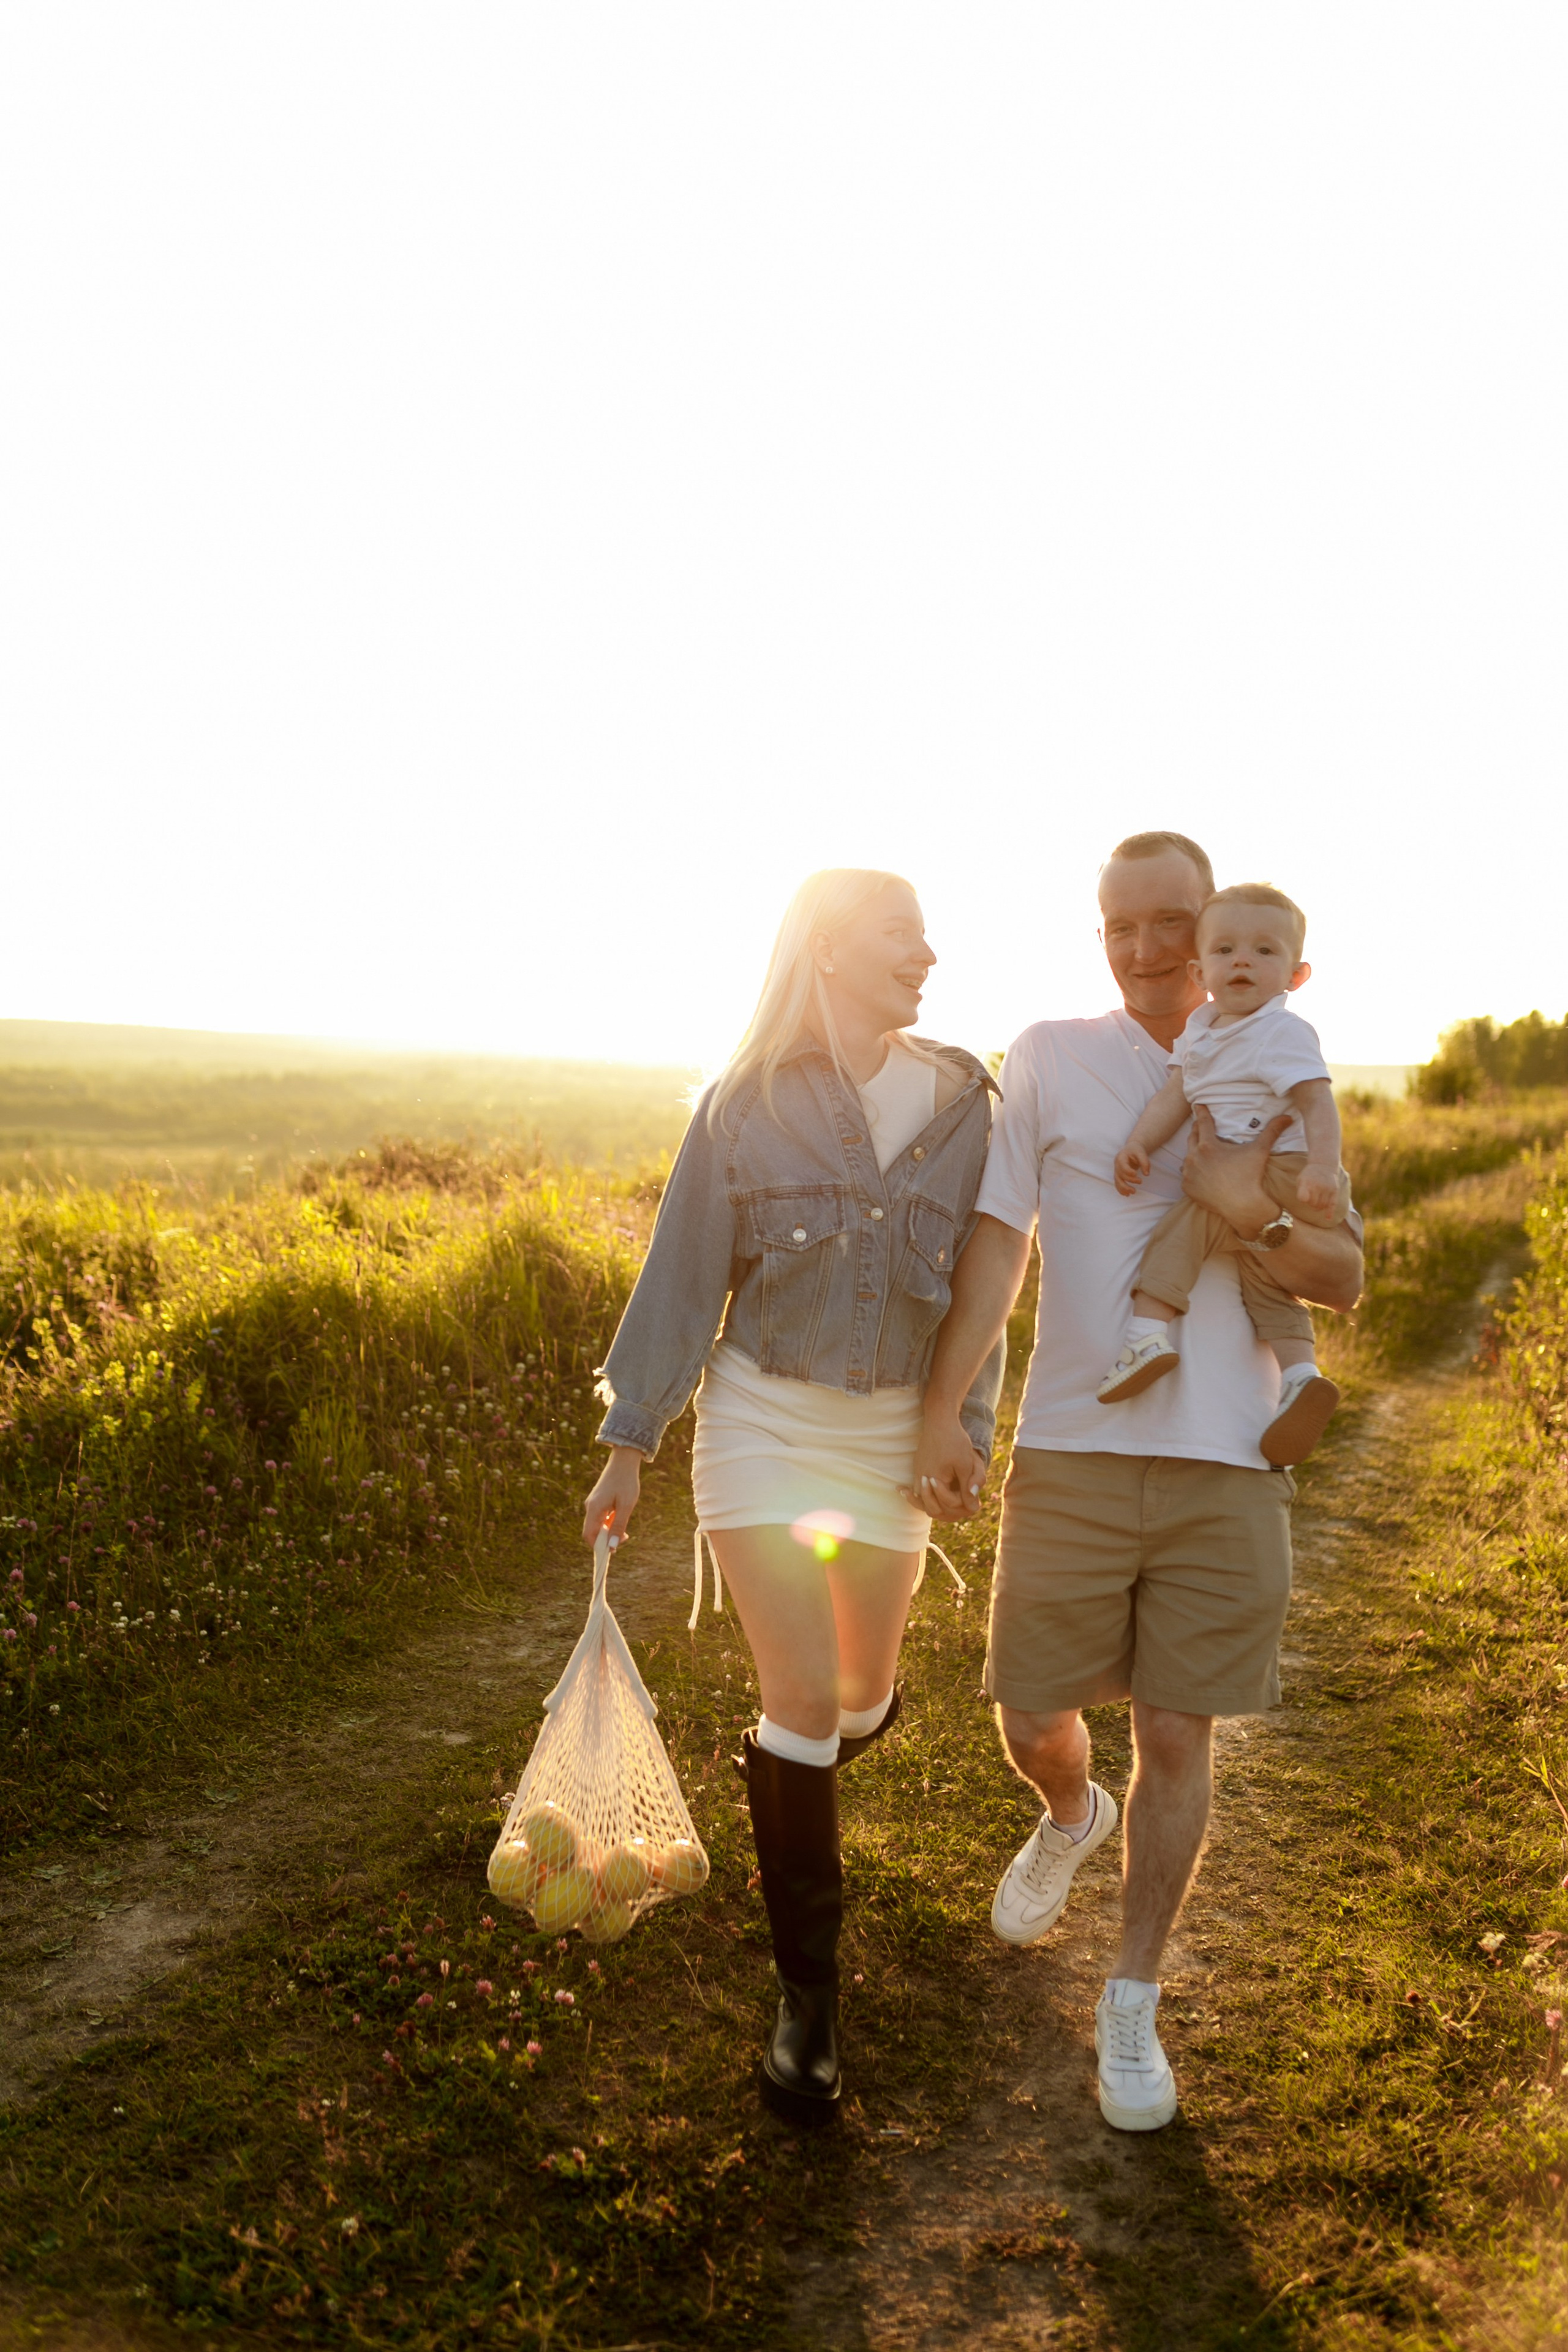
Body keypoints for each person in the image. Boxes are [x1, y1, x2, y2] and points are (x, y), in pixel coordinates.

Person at [911, 831, 1363, 2133]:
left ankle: (1131, 1996)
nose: (1152, 949)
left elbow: (1340, 1276)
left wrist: (1249, 1205)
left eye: (1175, 921)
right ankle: (1071, 1811)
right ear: (1099, 937)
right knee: (1028, 1715)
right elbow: (998, 1248)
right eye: (1123, 927)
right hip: (1071, 1447)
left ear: (1217, 927)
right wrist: (946, 1410)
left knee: (1177, 1732)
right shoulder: (1050, 1056)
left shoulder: (1281, 1060)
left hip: (1229, 1462)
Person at [582, 868, 1001, 2127]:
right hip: (760, 1419)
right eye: (899, 935)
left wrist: (963, 1427)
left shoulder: (966, 1103)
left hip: (890, 1436)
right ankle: (806, 2003)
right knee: (806, 1696)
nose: (926, 955)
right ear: (825, 947)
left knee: (859, 1697)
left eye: (927, 936)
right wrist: (630, 1443)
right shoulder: (744, 1104)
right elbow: (681, 1279)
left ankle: (787, 1767)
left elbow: (988, 1286)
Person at [1096, 881, 1350, 1466]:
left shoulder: (1281, 1030)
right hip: (1265, 1178)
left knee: (1180, 1229)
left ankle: (1145, 1337)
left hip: (1286, 1171)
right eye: (1225, 950)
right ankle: (1300, 1377)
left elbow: (1317, 1101)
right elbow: (1176, 1094)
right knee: (1263, 1278)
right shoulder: (1203, 1030)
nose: (1242, 961)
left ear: (1296, 975)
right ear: (1200, 970)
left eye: (1264, 951)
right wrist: (1138, 1143)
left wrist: (1322, 1167)